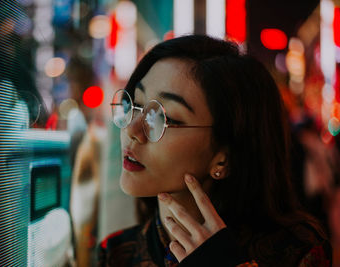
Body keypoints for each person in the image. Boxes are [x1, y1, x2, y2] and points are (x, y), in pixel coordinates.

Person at [97, 35, 332, 266]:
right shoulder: (117, 252)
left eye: (162, 117)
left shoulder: (297, 251)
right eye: (136, 104)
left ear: (224, 159)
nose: (132, 129)